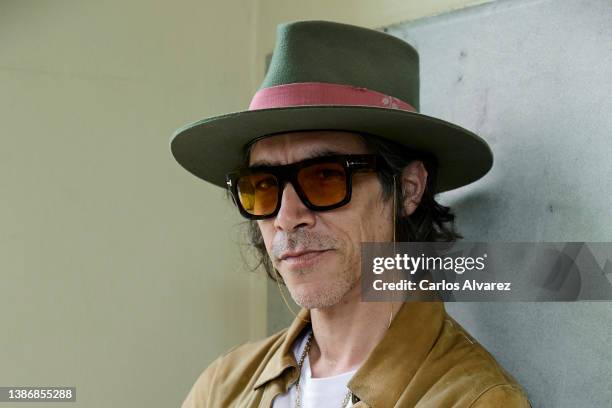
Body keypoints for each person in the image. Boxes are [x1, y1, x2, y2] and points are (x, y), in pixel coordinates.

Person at [171, 20, 531, 408]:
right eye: (263, 186)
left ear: (408, 189)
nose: (287, 217)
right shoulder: (223, 388)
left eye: (325, 177)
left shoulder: (471, 399)